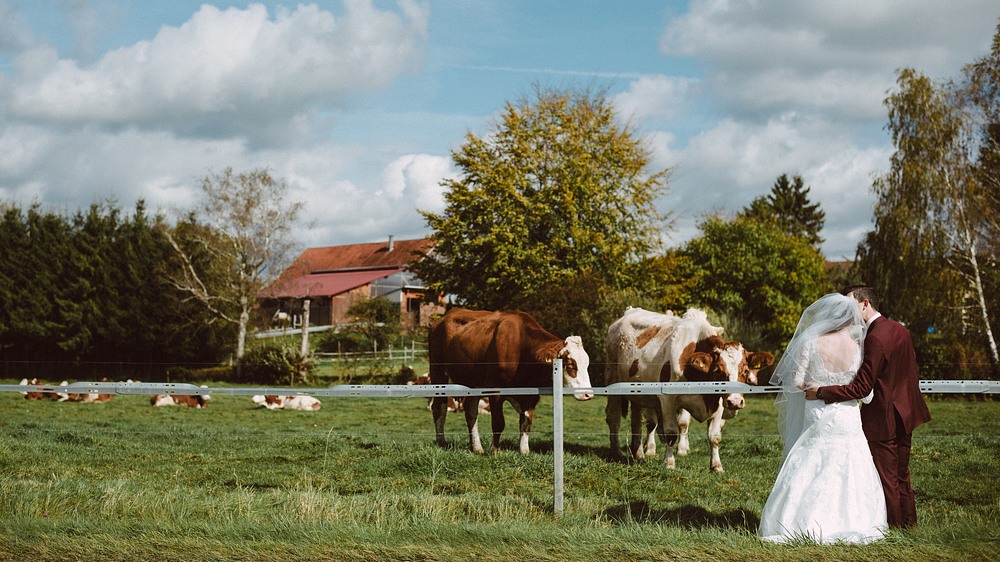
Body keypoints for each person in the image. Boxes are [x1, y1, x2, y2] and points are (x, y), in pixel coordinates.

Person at [759, 293, 887, 544]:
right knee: (850, 463)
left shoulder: (811, 341)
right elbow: (866, 392)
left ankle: (798, 522)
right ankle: (854, 521)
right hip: (848, 415)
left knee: (812, 459)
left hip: (817, 409)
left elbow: (796, 382)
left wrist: (815, 385)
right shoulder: (856, 346)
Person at [805, 285, 931, 529]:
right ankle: (910, 525)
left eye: (850, 303)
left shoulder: (875, 337)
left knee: (887, 479)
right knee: (902, 475)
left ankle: (894, 528)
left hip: (884, 418)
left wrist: (821, 391)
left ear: (865, 304)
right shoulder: (899, 330)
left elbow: (861, 388)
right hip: (906, 413)